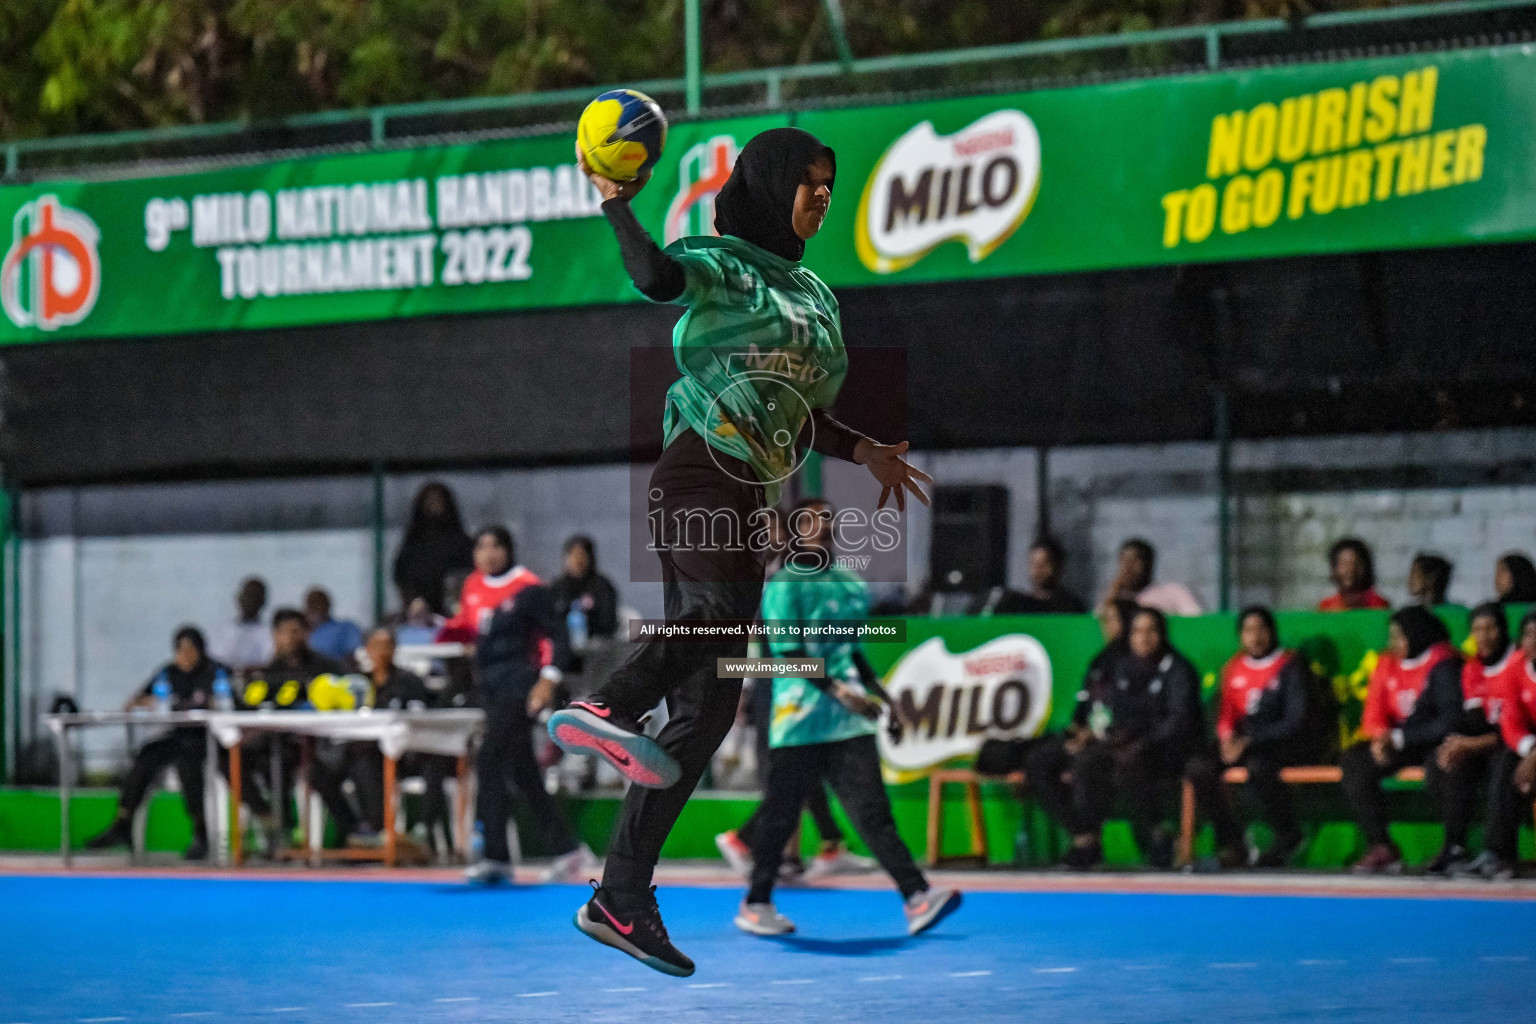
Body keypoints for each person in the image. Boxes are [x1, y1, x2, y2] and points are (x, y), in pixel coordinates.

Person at [546, 126, 932, 977]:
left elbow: (796, 410)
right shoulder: (722, 260)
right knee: (715, 621)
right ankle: (610, 703)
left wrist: (864, 450)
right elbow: (653, 278)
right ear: (767, 184)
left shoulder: (820, 299)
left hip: (752, 496)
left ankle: (620, 896)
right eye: (808, 181)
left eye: (832, 182)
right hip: (695, 471)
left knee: (713, 706)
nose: (822, 195)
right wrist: (618, 203)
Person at [731, 497, 960, 938]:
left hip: (847, 724)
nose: (823, 525)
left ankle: (917, 898)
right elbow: (787, 654)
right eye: (811, 520)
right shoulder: (784, 585)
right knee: (780, 816)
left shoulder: (851, 584)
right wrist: (840, 693)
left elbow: (852, 651)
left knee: (873, 812)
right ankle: (756, 902)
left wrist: (885, 698)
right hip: (798, 722)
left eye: (828, 519)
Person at [460, 526, 597, 885]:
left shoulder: (529, 588)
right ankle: (567, 850)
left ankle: (495, 858)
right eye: (481, 547)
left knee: (489, 759)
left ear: (509, 550)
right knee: (523, 771)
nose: (488, 554)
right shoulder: (472, 586)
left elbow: (559, 634)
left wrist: (548, 681)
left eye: (496, 546)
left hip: (520, 686)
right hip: (489, 688)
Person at [1027, 607, 1202, 869]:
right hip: (1119, 742)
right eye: (1137, 631)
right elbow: (1112, 713)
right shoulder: (1120, 665)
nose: (1144, 638)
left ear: (1163, 634)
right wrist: (1093, 735)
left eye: (1151, 631)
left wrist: (1135, 740)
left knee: (1119, 761)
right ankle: (1085, 839)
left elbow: (1179, 721)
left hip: (1164, 749)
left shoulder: (1178, 669)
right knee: (1066, 761)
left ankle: (1156, 835)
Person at [1187, 607, 1335, 869]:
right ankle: (1232, 843)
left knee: (1259, 768)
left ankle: (1287, 834)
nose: (1255, 636)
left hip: (1282, 742)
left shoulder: (1290, 665)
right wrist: (1226, 738)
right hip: (1244, 743)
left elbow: (1296, 720)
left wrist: (1251, 740)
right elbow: (1226, 713)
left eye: (1261, 629)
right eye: (1248, 630)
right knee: (1200, 768)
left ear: (1272, 632)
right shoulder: (1234, 667)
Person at [84, 627, 229, 860]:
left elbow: (227, 704)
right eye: (181, 650)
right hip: (174, 734)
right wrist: (149, 701)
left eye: (191, 649)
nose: (186, 655)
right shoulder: (168, 673)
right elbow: (133, 703)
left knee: (188, 766)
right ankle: (123, 822)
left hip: (205, 738)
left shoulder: (215, 672)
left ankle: (201, 832)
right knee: (145, 757)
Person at [1342, 606, 1461, 873]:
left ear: (1416, 634)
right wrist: (1379, 740)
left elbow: (1447, 722)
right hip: (1399, 742)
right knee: (1355, 762)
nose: (1392, 643)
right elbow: (1373, 713)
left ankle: (1454, 847)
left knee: (1443, 764)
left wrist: (1398, 738)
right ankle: (1382, 846)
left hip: (1434, 741)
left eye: (1398, 636)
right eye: (1391, 636)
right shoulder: (1387, 662)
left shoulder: (1444, 663)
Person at [240, 608, 366, 848]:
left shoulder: (326, 665)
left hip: (320, 743)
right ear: (276, 636)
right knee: (238, 759)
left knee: (309, 769)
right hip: (279, 741)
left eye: (297, 631)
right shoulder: (271, 671)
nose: (291, 638)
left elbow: (349, 696)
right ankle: (271, 820)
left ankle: (347, 831)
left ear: (306, 634)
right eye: (285, 632)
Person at [1422, 603, 1516, 874]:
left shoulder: (1517, 663)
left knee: (1504, 761)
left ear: (1503, 630)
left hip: (1518, 742)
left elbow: (1514, 726)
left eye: (1490, 628)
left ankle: (1498, 853)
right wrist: (1457, 745)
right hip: (1491, 740)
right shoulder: (1472, 668)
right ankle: (1455, 848)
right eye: (1477, 630)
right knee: (1447, 760)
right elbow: (1475, 722)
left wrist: (1472, 744)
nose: (1484, 636)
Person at [345, 627, 453, 854]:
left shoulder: (408, 680)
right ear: (367, 650)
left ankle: (423, 831)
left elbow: (427, 713)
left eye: (388, 645)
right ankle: (379, 829)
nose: (383, 652)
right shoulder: (358, 685)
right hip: (376, 755)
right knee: (361, 762)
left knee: (435, 760)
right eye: (377, 646)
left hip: (410, 754)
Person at [1466, 609, 1536, 879]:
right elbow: (1511, 723)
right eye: (1529, 634)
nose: (1534, 640)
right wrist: (1531, 751)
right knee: (1506, 761)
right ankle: (1499, 854)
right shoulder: (1516, 668)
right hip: (1528, 747)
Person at [393, 482, 474, 616]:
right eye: (430, 501)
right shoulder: (413, 543)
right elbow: (402, 575)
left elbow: (470, 575)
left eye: (438, 501)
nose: (434, 506)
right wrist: (413, 600)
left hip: (456, 612)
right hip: (418, 614)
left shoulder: (462, 543)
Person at [1102, 538, 1202, 616]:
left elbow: (1196, 621)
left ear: (1149, 564)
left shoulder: (1174, 593)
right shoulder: (1115, 599)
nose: (1128, 567)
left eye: (1135, 560)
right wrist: (1114, 593)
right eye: (1124, 561)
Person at [550, 535, 620, 643]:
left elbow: (608, 623)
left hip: (597, 645)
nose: (577, 560)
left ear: (590, 557)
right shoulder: (557, 587)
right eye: (572, 555)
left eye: (581, 555)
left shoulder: (602, 586)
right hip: (563, 645)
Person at [991, 537, 1087, 614]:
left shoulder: (1071, 607)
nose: (1037, 571)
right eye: (1033, 564)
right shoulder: (1019, 606)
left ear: (1058, 567)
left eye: (1043, 565)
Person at [208, 576, 274, 673]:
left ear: (263, 602)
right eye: (247, 595)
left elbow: (267, 661)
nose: (250, 601)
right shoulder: (222, 631)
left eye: (255, 597)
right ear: (238, 598)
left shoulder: (269, 633)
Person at [1318, 538, 1390, 611]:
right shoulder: (1327, 607)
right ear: (1334, 569)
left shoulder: (1378, 605)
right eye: (1344, 564)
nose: (1350, 570)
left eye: (1355, 564)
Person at [304, 587, 364, 665]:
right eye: (312, 604)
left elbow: (355, 654)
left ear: (328, 605)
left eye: (320, 603)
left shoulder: (346, 628)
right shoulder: (301, 632)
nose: (317, 607)